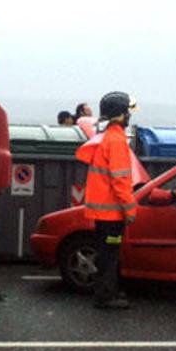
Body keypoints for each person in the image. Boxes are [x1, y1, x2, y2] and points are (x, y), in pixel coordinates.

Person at [75, 91, 138, 309]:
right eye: (127, 112)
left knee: (107, 253)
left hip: (103, 214)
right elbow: (120, 181)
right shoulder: (117, 141)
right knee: (110, 256)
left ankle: (107, 291)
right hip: (112, 215)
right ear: (119, 115)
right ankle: (105, 296)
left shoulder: (106, 138)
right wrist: (130, 210)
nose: (129, 116)